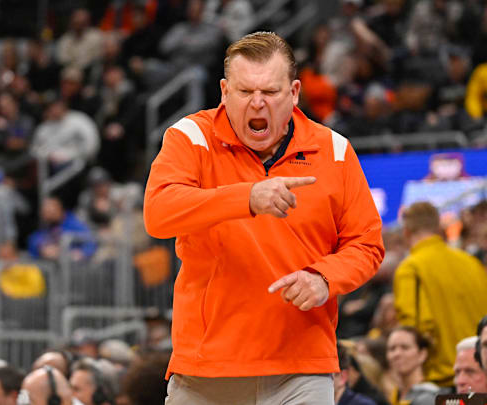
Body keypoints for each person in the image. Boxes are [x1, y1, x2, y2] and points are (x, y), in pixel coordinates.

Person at [143, 31, 384, 404]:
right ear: (224, 91)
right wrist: (247, 198)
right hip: (207, 371)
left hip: (301, 369)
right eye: (244, 92)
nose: (257, 104)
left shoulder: (335, 150)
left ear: (294, 92)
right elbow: (159, 212)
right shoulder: (191, 137)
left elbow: (367, 244)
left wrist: (324, 278)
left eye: (270, 92)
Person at [393, 201, 487, 387]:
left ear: (406, 233)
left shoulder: (410, 269)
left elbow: (410, 330)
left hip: (439, 381)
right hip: (480, 376)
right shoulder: (472, 264)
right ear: (438, 229)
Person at [385, 326, 439, 405]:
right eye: (392, 349)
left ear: (422, 354)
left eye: (405, 347)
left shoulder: (430, 397)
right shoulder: (392, 396)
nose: (397, 354)